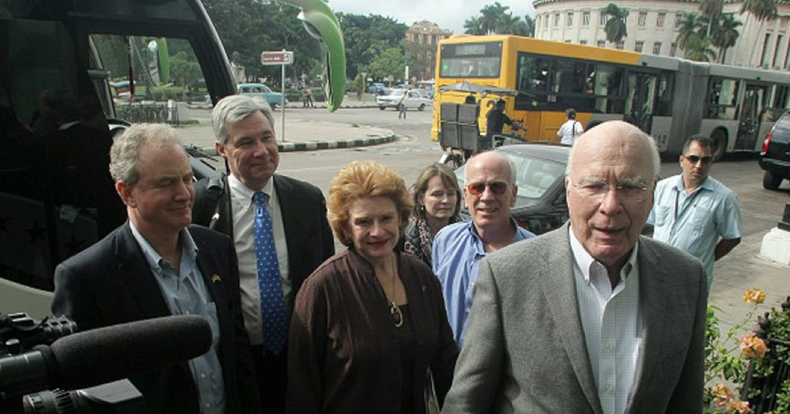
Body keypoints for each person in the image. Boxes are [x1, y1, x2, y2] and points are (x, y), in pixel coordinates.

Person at [442, 121, 707, 414]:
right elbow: (466, 404)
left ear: (654, 192)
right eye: (595, 185)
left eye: (630, 186)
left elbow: (687, 401)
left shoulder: (686, 278)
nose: (610, 205)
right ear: (569, 189)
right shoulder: (506, 275)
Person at [51, 124, 260, 414]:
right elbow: (84, 387)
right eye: (166, 183)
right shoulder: (87, 278)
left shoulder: (217, 248)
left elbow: (236, 351)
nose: (184, 193)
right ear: (127, 193)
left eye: (187, 179)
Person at [192, 95, 334, 414]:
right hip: (235, 363)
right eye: (246, 142)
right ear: (221, 149)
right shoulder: (201, 205)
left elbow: (326, 278)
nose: (261, 150)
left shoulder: (307, 201)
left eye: (267, 137)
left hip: (298, 359)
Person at [287, 160, 458, 414]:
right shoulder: (322, 288)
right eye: (364, 222)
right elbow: (302, 389)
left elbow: (446, 363)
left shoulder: (421, 277)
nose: (377, 232)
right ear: (346, 227)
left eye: (386, 218)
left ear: (401, 219)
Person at [432, 151, 535, 348]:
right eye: (477, 187)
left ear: (513, 195)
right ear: (465, 195)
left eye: (497, 187)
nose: (486, 197)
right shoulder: (445, 241)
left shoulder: (534, 253)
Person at [648, 134, 742, 293]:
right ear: (681, 160)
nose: (699, 166)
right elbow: (650, 224)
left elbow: (732, 237)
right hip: (657, 274)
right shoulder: (662, 188)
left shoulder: (723, 198)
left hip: (690, 280)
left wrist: (706, 260)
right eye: (693, 159)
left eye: (705, 160)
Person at [404, 163, 462, 267]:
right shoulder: (405, 237)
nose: (445, 200)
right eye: (437, 194)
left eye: (450, 194)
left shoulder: (468, 233)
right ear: (421, 198)